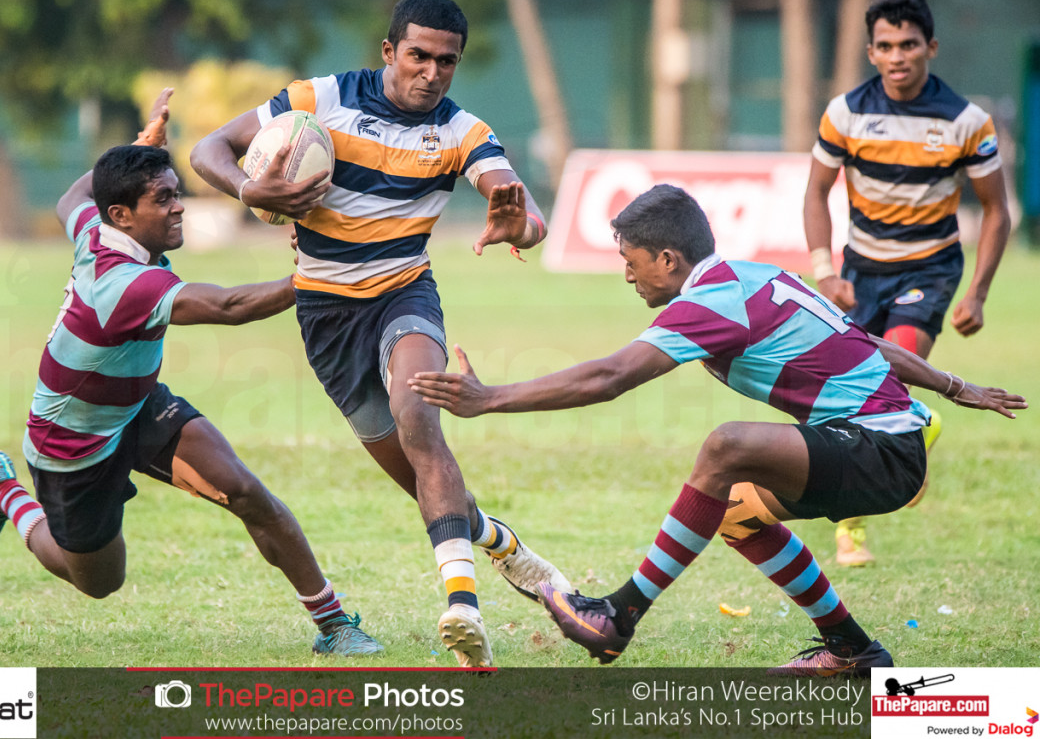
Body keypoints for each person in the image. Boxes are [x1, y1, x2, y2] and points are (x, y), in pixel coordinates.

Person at [409, 184, 1025, 674]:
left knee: (726, 445)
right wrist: (953, 385)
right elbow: (863, 343)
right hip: (877, 443)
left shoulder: (708, 302)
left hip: (879, 449)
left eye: (632, 262)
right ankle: (852, 650)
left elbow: (609, 377)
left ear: (669, 259)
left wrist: (490, 399)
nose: (628, 276)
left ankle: (618, 615)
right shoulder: (753, 276)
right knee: (734, 511)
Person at [189, 0, 570, 667]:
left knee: (418, 416)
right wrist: (251, 192)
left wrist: (524, 225)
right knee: (422, 482)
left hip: (403, 294)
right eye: (418, 56)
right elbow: (207, 149)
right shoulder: (319, 99)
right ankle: (505, 548)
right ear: (390, 51)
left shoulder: (461, 132)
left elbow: (518, 200)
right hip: (326, 319)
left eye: (446, 62)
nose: (432, 72)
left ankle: (462, 605)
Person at [0, 90, 382, 657]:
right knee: (96, 580)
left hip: (135, 406)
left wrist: (136, 151)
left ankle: (334, 625)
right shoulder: (122, 285)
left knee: (244, 490)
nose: (179, 206)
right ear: (123, 216)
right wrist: (319, 275)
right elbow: (228, 307)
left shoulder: (95, 226)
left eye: (176, 193)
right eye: (163, 199)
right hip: (71, 446)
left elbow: (74, 195)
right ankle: (6, 489)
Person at [804, 0, 1011, 566]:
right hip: (861, 268)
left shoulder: (967, 122)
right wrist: (826, 272)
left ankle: (915, 429)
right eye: (886, 46)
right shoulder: (845, 113)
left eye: (909, 45)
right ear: (871, 51)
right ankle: (855, 521)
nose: (898, 57)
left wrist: (979, 292)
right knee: (855, 396)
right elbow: (816, 192)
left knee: (894, 362)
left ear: (931, 47)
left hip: (930, 266)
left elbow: (996, 209)